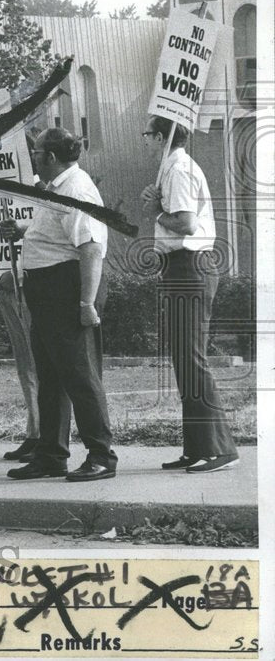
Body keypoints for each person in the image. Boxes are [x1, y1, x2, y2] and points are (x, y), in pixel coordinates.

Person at [2, 127, 117, 482]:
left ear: (50, 157)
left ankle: (101, 455)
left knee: (80, 375)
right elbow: (59, 235)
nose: (33, 157)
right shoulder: (57, 189)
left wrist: (86, 302)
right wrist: (24, 230)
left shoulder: (77, 189)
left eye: (36, 152)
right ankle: (51, 454)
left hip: (67, 290)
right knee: (50, 375)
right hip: (48, 291)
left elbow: (91, 248)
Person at [140, 115, 239, 473]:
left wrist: (157, 211)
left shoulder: (179, 169)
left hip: (188, 264)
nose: (146, 140)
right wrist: (159, 207)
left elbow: (185, 222)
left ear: (163, 137)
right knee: (184, 358)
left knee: (192, 357)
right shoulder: (172, 168)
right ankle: (197, 446)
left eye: (149, 134)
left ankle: (219, 448)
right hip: (180, 266)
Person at [0, 270, 40, 461]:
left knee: (39, 364)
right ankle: (35, 434)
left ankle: (47, 437)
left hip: (36, 286)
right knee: (26, 365)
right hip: (12, 287)